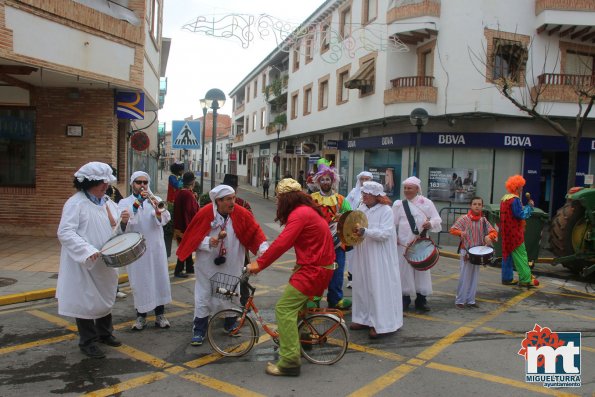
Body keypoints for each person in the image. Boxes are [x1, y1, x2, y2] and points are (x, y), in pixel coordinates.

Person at [247, 178, 336, 377]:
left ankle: (289, 361)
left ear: (287, 198)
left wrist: (259, 264)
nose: (277, 203)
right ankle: (303, 340)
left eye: (279, 198)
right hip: (317, 268)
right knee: (298, 309)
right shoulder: (307, 211)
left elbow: (281, 243)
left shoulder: (299, 214)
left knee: (284, 309)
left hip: (312, 270)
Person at [176, 185, 269, 346]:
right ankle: (199, 329)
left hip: (232, 264)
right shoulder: (205, 213)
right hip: (207, 266)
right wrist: (207, 242)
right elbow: (191, 238)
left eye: (233, 198)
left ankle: (230, 324)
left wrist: (264, 250)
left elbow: (254, 232)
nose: (232, 202)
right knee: (204, 296)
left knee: (232, 294)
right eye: (228, 199)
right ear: (218, 201)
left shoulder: (240, 213)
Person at [56, 161, 130, 359]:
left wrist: (123, 222)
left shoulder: (107, 202)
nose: (106, 186)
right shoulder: (75, 203)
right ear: (89, 183)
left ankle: (105, 333)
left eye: (107, 183)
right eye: (101, 183)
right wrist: (87, 250)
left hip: (104, 262)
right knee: (86, 300)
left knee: (105, 297)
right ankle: (87, 341)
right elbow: (65, 232)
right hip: (85, 262)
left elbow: (115, 229)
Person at [119, 171, 172, 330]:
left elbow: (165, 219)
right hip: (137, 249)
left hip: (155, 248)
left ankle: (160, 315)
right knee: (139, 282)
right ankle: (140, 316)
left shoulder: (156, 200)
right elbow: (123, 225)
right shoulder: (124, 202)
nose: (142, 185)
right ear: (132, 184)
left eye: (145, 182)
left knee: (159, 279)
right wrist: (136, 205)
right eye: (138, 182)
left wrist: (157, 211)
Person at [350, 181, 403, 338]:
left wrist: (365, 232)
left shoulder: (386, 210)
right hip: (363, 252)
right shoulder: (361, 208)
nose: (364, 196)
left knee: (377, 287)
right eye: (363, 194)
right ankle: (362, 318)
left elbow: (385, 234)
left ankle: (380, 323)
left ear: (376, 196)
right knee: (361, 285)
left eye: (367, 194)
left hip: (378, 255)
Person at [392, 176, 442, 312]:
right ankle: (405, 299)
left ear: (417, 189)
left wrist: (430, 223)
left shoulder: (426, 203)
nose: (407, 191)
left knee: (422, 271)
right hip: (404, 244)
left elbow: (437, 219)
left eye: (410, 188)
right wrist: (394, 236)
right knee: (404, 272)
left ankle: (421, 300)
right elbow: (392, 223)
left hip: (421, 243)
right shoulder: (398, 204)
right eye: (405, 188)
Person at [310, 159, 352, 310]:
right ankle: (314, 299)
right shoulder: (312, 198)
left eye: (328, 179)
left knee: (337, 271)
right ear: (318, 181)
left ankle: (336, 299)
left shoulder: (341, 199)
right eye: (323, 179)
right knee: (317, 271)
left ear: (332, 181)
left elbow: (351, 217)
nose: (325, 182)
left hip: (338, 242)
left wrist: (344, 217)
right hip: (318, 243)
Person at [449, 196, 498, 308]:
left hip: (478, 252)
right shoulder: (464, 218)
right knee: (464, 276)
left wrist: (490, 236)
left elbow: (493, 232)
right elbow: (452, 229)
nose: (477, 206)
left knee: (474, 277)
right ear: (470, 206)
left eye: (479, 204)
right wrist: (460, 233)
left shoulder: (483, 220)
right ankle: (460, 301)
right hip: (466, 251)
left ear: (482, 206)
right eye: (475, 204)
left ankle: (471, 300)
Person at [500, 175, 539, 287]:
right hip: (515, 234)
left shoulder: (504, 199)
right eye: (521, 187)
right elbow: (520, 215)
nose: (522, 189)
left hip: (506, 233)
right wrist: (529, 207)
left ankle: (507, 278)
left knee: (507, 255)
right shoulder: (515, 200)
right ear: (516, 187)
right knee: (521, 256)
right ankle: (525, 279)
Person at [345, 171, 373, 288]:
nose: (365, 181)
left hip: (368, 228)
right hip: (353, 227)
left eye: (367, 179)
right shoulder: (353, 192)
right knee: (352, 254)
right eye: (363, 179)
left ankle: (365, 278)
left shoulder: (375, 194)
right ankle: (351, 278)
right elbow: (346, 207)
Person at [173, 172, 200, 278]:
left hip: (179, 225)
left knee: (187, 246)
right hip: (186, 225)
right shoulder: (188, 194)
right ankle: (178, 270)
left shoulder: (181, 192)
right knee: (185, 247)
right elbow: (191, 211)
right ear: (192, 182)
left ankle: (189, 267)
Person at [106, 165, 126, 299]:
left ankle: (115, 288)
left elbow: (121, 205)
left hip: (114, 231)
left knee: (114, 264)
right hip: (104, 229)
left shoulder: (113, 190)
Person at [164, 161, 185, 258]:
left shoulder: (179, 177)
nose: (182, 171)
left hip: (179, 202)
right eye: (181, 169)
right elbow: (178, 185)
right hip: (172, 203)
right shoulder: (172, 177)